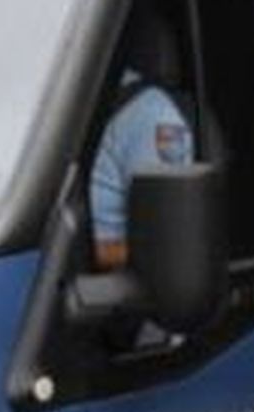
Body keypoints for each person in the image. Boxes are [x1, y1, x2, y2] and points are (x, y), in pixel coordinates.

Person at [88, 4, 194, 272]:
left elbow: (166, 246)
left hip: (99, 286)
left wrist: (85, 252)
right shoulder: (38, 110)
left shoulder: (149, 117)